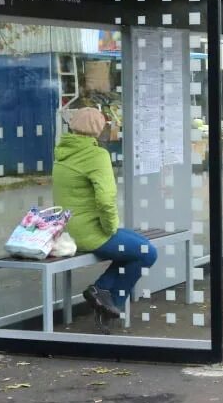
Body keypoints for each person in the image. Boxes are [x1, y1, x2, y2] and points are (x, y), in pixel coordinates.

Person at [53, 106, 158, 331]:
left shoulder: (62, 152)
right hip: (92, 233)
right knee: (147, 252)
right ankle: (109, 301)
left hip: (68, 230)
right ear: (99, 129)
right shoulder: (95, 155)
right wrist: (110, 228)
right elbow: (106, 199)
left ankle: (102, 293)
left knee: (133, 247)